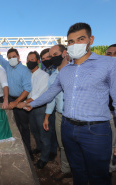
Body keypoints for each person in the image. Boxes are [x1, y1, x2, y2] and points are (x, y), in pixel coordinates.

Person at [22, 22, 116, 185]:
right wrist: (32, 104)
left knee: (99, 176)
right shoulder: (65, 70)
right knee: (78, 172)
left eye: (81, 39)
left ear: (90, 40)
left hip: (95, 131)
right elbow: (51, 93)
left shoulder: (108, 64)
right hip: (68, 128)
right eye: (71, 41)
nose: (75, 44)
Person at [0, 33, 33, 159]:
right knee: (12, 126)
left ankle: (27, 152)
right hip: (10, 100)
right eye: (9, 57)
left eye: (14, 56)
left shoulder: (25, 70)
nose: (11, 59)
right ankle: (15, 150)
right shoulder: (7, 66)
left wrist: (16, 102)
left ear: (19, 57)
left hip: (21, 101)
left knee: (24, 127)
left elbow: (27, 89)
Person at [43, 44, 72, 180]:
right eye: (50, 55)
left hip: (78, 117)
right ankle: (66, 169)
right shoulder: (52, 77)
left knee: (80, 146)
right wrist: (47, 117)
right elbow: (51, 98)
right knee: (63, 145)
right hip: (60, 116)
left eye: (55, 54)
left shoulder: (76, 71)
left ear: (64, 53)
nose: (52, 58)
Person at [17, 51, 49, 168]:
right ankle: (39, 148)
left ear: (38, 61)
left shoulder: (44, 75)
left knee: (44, 134)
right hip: (29, 109)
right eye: (28, 59)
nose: (29, 61)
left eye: (32, 59)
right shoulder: (28, 75)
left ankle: (44, 157)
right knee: (34, 131)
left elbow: (38, 95)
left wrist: (24, 102)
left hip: (40, 108)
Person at [40, 49, 58, 161]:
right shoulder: (44, 70)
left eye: (48, 57)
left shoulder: (58, 70)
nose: (46, 60)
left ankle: (53, 150)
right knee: (48, 129)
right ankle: (49, 148)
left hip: (56, 105)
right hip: (46, 105)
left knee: (54, 130)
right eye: (43, 59)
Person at [105, 44, 116, 173]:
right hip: (104, 114)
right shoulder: (104, 73)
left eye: (115, 54)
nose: (112, 57)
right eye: (109, 54)